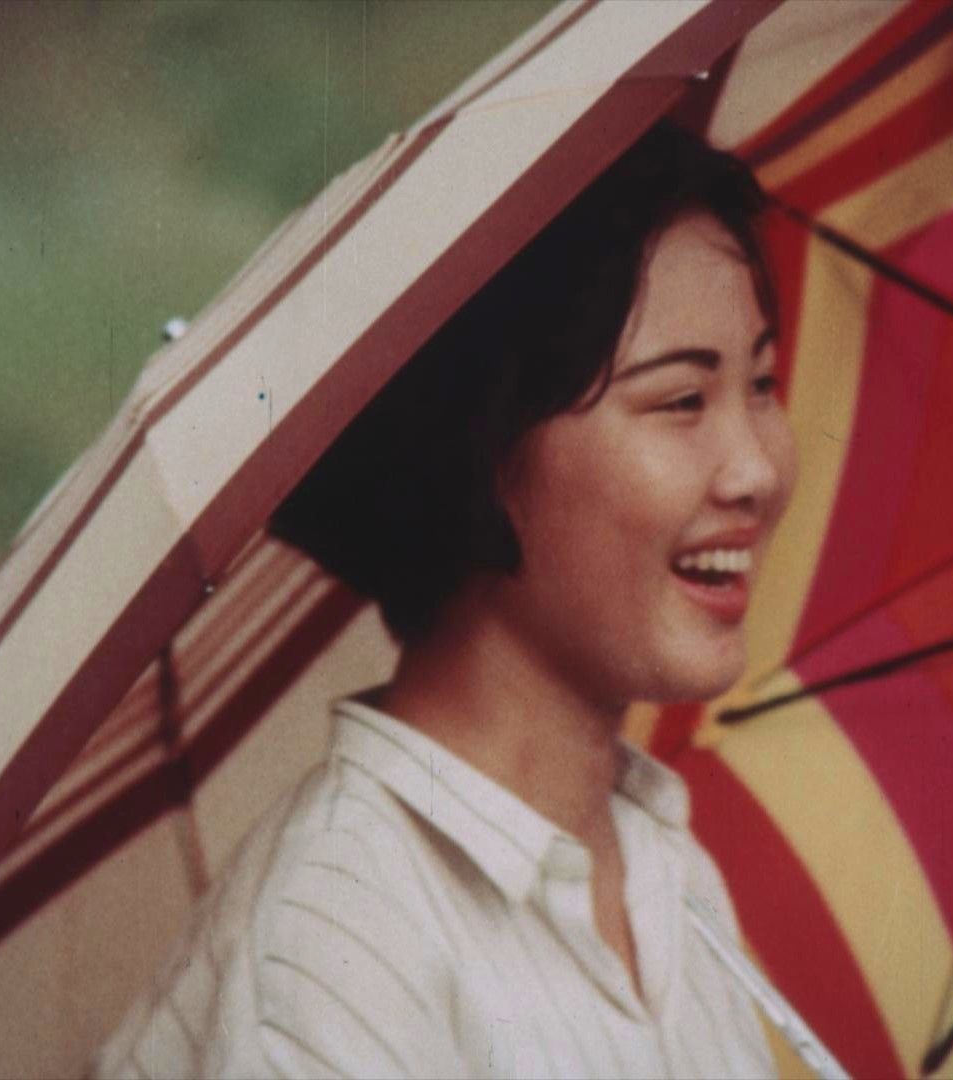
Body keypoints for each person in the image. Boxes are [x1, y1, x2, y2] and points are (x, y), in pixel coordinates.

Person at [95, 120, 797, 1079]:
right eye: (682, 401)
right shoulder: (349, 932)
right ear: (487, 449)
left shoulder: (673, 884)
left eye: (763, 383)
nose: (758, 468)